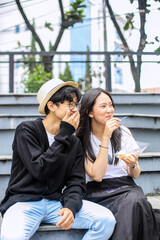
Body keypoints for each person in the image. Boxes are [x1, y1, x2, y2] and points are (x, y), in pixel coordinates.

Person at [0, 79, 116, 240]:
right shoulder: (27, 130)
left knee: (106, 220)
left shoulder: (73, 141)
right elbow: (40, 169)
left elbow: (76, 182)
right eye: (69, 104)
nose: (74, 110)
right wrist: (64, 133)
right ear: (52, 106)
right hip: (23, 203)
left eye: (76, 104)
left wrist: (71, 207)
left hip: (56, 204)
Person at [76, 87, 160, 240]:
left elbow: (135, 173)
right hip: (97, 191)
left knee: (135, 201)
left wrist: (133, 164)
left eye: (111, 105)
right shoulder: (81, 138)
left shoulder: (123, 133)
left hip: (126, 186)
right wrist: (106, 137)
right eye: (103, 106)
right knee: (132, 204)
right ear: (90, 112)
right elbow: (97, 175)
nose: (110, 110)